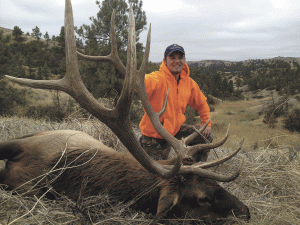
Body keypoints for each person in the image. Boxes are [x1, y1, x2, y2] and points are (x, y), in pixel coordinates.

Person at [139, 44, 213, 161]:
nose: (177, 61)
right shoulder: (157, 79)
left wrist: (207, 124)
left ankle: (193, 170)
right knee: (156, 175)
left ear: (184, 60)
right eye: (172, 58)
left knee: (205, 137)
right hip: (155, 136)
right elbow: (142, 82)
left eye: (180, 57)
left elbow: (202, 103)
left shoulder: (188, 83)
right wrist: (135, 77)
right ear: (165, 61)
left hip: (175, 130)